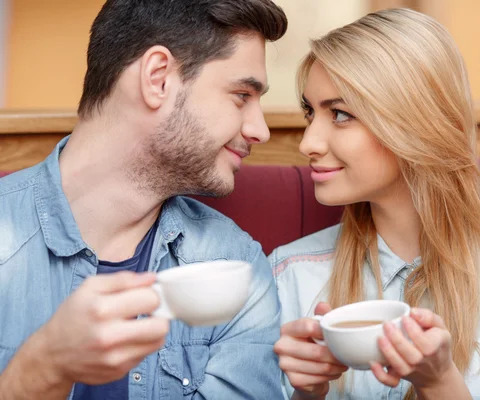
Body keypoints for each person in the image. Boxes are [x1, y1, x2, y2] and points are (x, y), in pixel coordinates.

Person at [269, 8, 480, 400]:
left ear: (416, 124)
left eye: (339, 114)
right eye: (309, 112)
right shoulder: (287, 275)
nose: (307, 143)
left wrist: (440, 384)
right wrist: (308, 394)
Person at [0, 1, 287, 399]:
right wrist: (40, 369)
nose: (260, 130)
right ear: (158, 78)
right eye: (241, 95)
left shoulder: (235, 266)